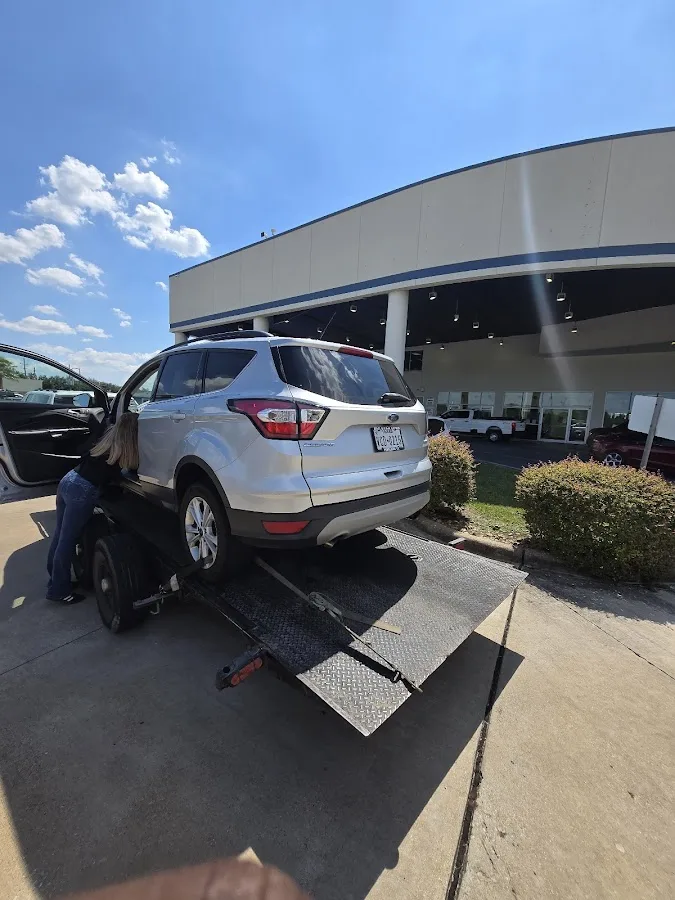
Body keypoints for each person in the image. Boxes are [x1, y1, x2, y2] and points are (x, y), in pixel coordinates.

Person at [46, 412, 139, 604]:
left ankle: (55, 580)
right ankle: (58, 590)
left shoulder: (106, 438)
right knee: (68, 540)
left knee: (60, 536)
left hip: (69, 479)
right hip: (82, 490)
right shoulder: (124, 451)